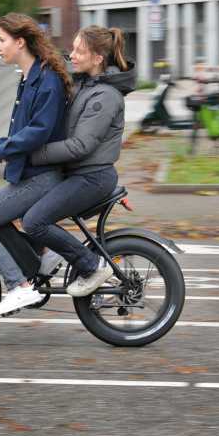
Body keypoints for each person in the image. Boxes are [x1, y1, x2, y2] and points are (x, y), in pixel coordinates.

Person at [0, 13, 72, 316]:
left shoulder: (46, 80)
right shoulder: (29, 77)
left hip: (41, 176)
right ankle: (43, 255)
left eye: (2, 40)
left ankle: (19, 286)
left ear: (20, 42)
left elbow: (38, 132)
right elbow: (22, 132)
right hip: (31, 174)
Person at [22, 25, 136, 297]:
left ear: (97, 58)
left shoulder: (105, 96)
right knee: (21, 203)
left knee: (35, 221)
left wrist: (34, 155)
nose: (72, 55)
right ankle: (47, 256)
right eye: (72, 49)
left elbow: (80, 145)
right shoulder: (85, 84)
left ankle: (91, 266)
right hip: (77, 174)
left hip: (91, 178)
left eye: (79, 51)